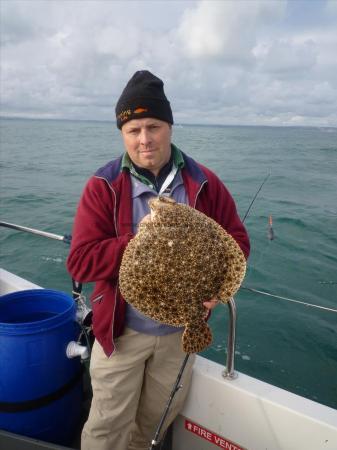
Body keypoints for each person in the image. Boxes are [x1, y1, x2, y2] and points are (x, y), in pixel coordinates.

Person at [67, 70, 250, 450]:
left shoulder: (204, 182)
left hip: (179, 336)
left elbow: (237, 241)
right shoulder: (103, 186)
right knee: (106, 429)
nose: (144, 139)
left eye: (153, 126)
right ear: (122, 134)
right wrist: (141, 241)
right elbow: (80, 262)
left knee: (154, 423)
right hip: (121, 334)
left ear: (169, 125)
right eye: (133, 130)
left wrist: (218, 290)